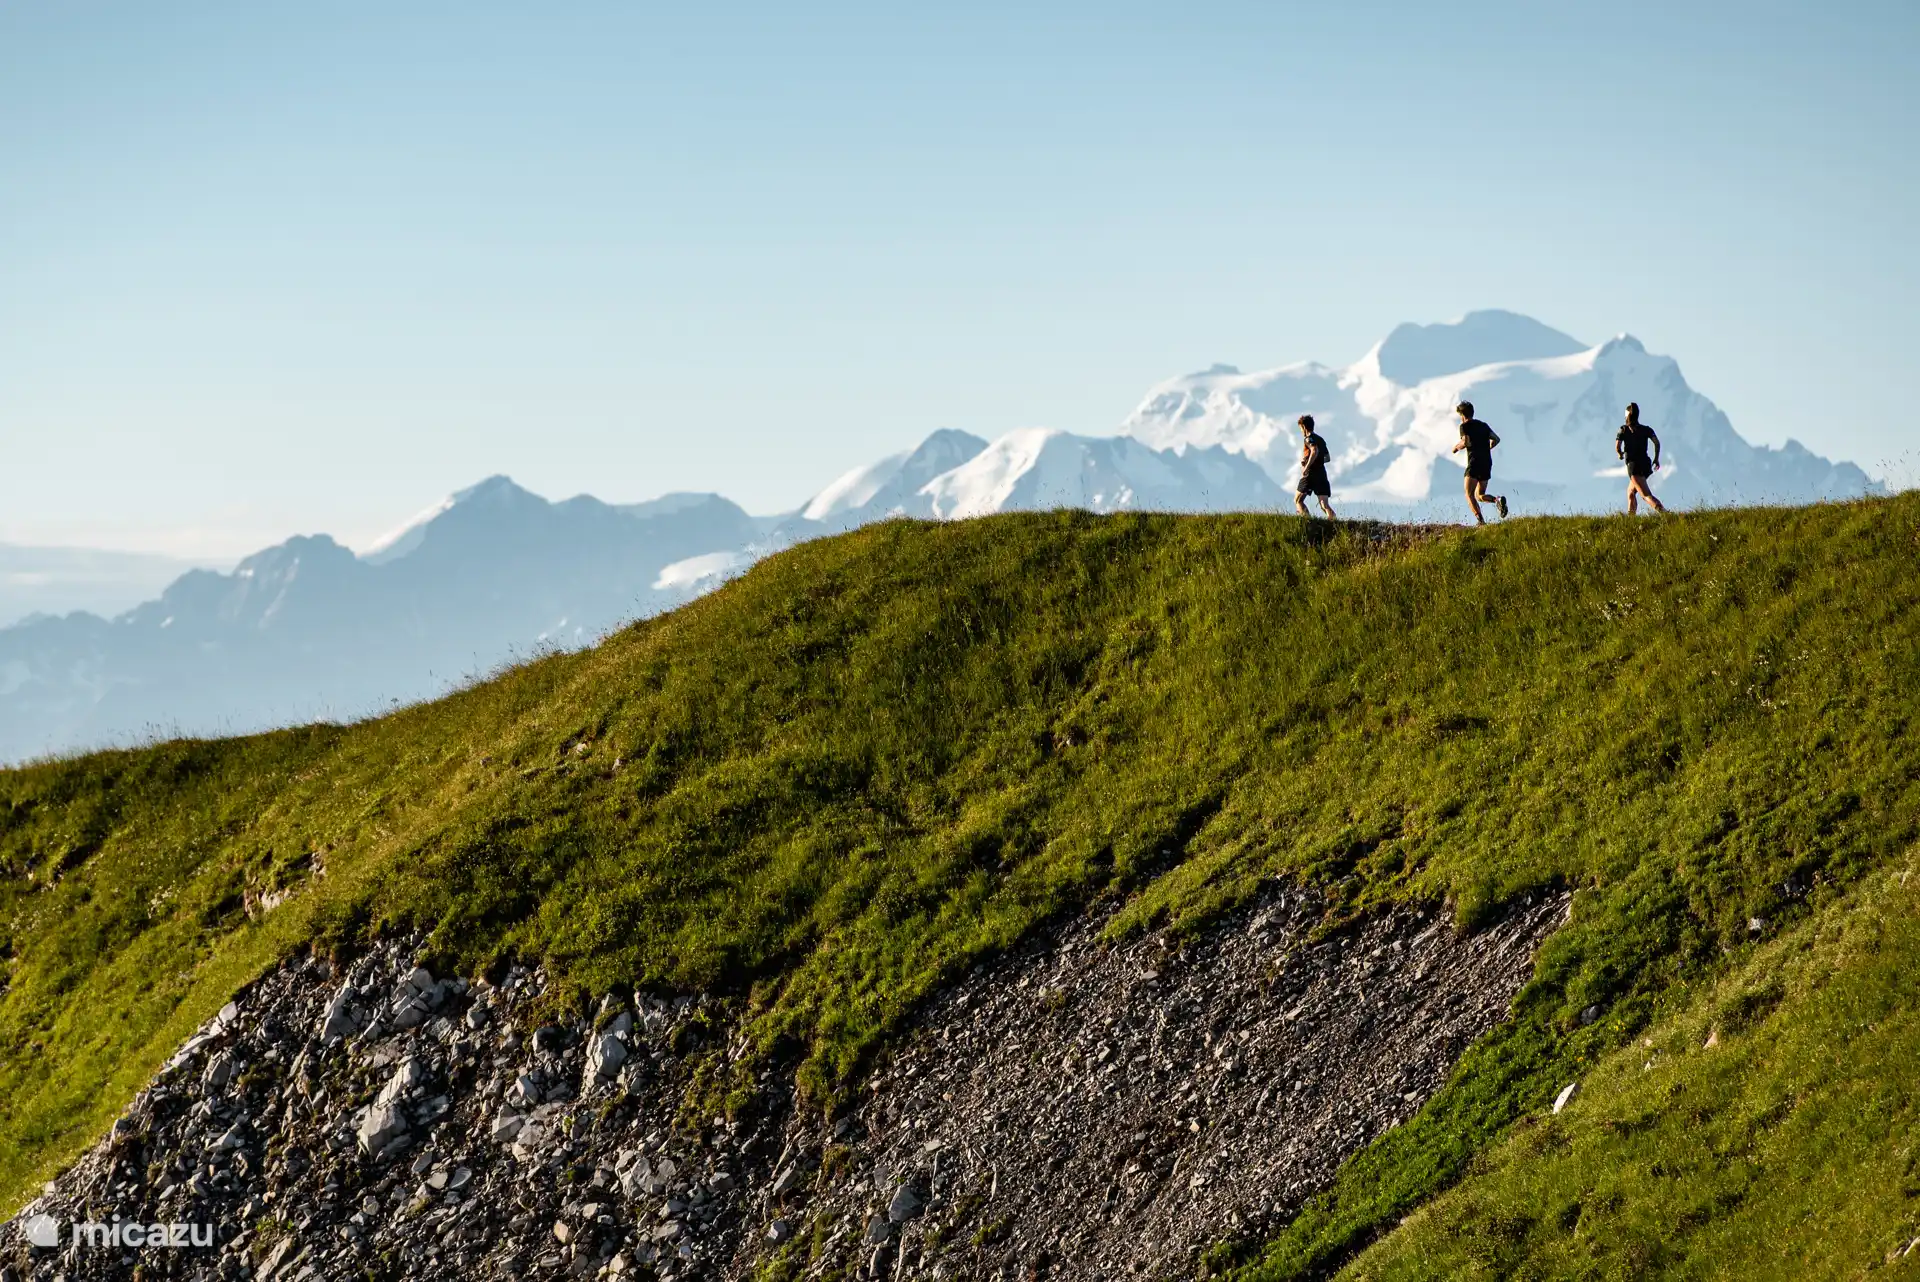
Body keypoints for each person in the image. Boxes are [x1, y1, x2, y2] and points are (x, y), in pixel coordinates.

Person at [1448, 401, 1508, 523]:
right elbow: (1496, 439)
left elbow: (1465, 442)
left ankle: (1481, 521)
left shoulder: (1464, 427)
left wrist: (1455, 448)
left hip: (1474, 462)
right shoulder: (1483, 425)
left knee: (1469, 494)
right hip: (1486, 462)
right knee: (1479, 495)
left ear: (1462, 416)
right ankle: (1497, 500)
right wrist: (1488, 448)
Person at [1615, 402, 1666, 514]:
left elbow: (1617, 447)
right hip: (1645, 464)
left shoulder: (1623, 429)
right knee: (1631, 492)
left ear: (1627, 416)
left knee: (1645, 495)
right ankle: (1631, 520)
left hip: (1633, 466)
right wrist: (1656, 458)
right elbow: (1657, 443)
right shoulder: (1646, 429)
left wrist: (1620, 454)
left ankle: (1666, 514)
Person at [1294, 415, 1336, 519]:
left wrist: (1307, 466)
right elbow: (1327, 458)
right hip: (1321, 473)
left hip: (1310, 474)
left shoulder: (1308, 439)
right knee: (1324, 505)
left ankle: (1308, 522)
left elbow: (1314, 450)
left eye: (1300, 428)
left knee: (1298, 500)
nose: (1301, 431)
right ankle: (1333, 523)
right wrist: (1314, 460)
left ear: (1304, 427)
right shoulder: (1320, 439)